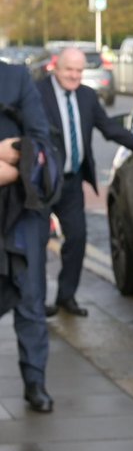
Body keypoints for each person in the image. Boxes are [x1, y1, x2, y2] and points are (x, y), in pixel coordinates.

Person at [37, 46, 133, 317]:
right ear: (56, 67)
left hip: (72, 181)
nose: (74, 76)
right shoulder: (37, 93)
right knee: (37, 241)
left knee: (77, 239)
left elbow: (109, 128)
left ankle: (67, 296)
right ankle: (36, 303)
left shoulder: (87, 96)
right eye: (69, 70)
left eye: (79, 71)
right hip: (41, 183)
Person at [0, 61, 56, 412]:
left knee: (31, 297)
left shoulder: (16, 77)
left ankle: (35, 380)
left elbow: (39, 140)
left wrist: (13, 158)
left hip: (20, 210)